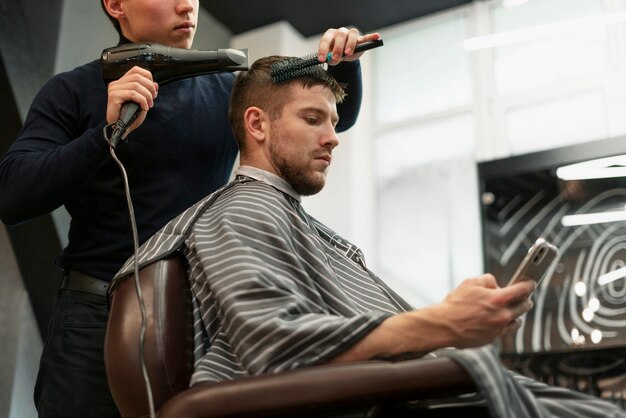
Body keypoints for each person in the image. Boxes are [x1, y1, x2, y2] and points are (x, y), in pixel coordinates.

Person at [114, 56, 626, 417]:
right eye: (312, 119)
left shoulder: (290, 218)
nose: (333, 137)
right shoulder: (245, 209)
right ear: (258, 124)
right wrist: (440, 325)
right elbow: (273, 344)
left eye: (333, 121)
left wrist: (448, 318)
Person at [0, 0, 378, 415]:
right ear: (116, 5)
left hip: (191, 319)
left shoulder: (227, 92)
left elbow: (329, 119)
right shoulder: (72, 91)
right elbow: (13, 193)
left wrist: (343, 65)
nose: (187, 5)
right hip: (94, 320)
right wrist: (104, 136)